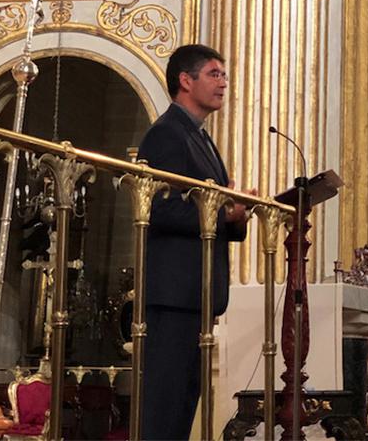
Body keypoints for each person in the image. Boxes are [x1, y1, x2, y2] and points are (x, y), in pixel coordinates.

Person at [137, 45, 254, 440]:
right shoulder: (167, 135)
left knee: (184, 405)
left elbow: (210, 214)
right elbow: (159, 210)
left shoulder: (200, 138)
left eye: (223, 74)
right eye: (214, 74)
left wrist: (236, 214)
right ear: (185, 81)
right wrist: (225, 214)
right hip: (173, 297)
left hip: (196, 295)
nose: (223, 82)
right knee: (164, 409)